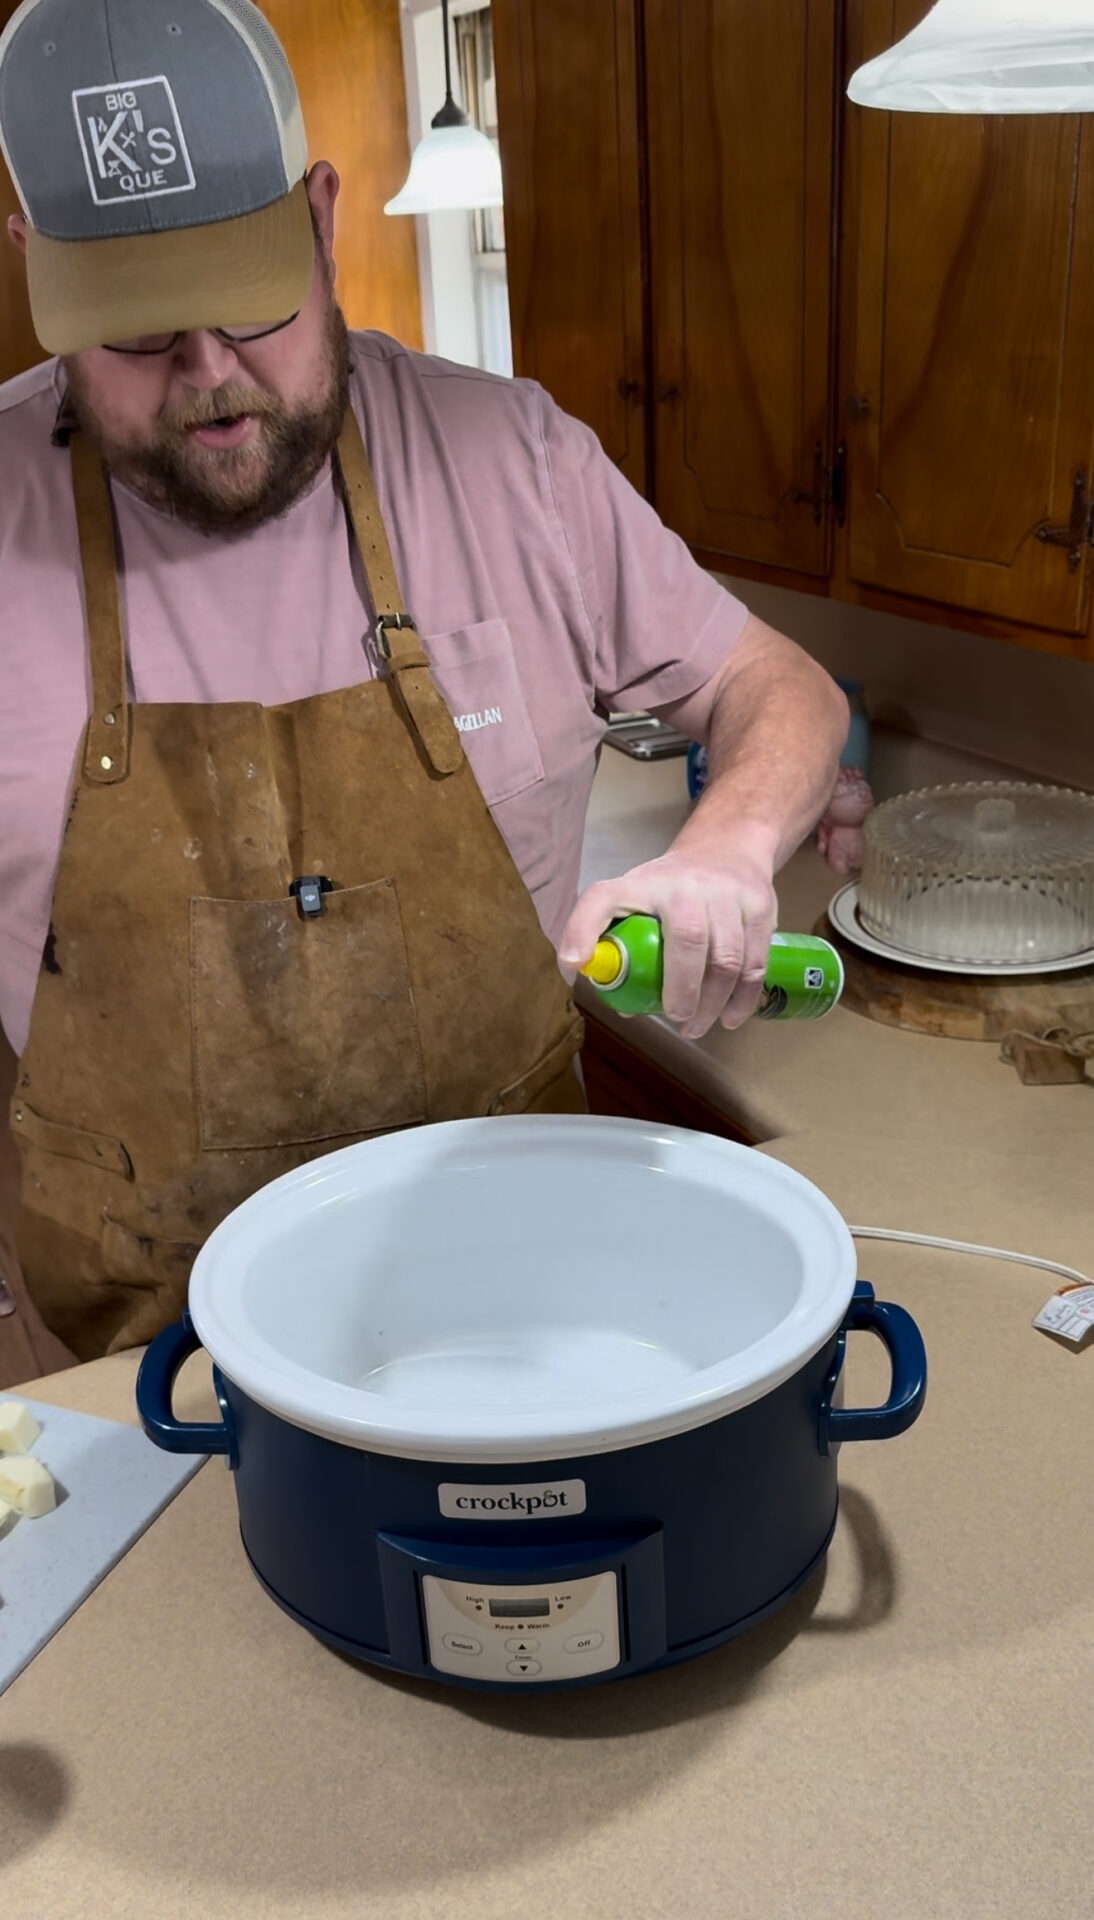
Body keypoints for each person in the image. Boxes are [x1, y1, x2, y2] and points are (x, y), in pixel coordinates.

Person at [0, 0, 848, 1361]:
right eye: (143, 337)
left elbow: (774, 683)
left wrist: (730, 848)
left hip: (522, 1316)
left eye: (254, 305)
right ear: (38, 270)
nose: (212, 381)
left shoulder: (510, 459)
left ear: (322, 219)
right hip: (129, 1353)